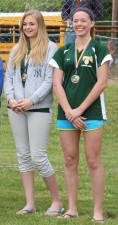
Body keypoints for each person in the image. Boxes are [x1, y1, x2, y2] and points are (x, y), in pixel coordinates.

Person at [50, 6, 112, 222]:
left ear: (92, 24)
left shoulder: (99, 49)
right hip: (67, 114)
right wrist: (69, 111)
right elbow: (56, 83)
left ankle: (97, 211)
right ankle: (72, 208)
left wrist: (79, 110)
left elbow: (102, 83)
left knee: (93, 160)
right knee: (69, 160)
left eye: (83, 20)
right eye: (75, 21)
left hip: (92, 112)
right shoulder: (63, 51)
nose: (78, 24)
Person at [4, 10, 62, 215]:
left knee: (38, 156)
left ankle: (57, 201)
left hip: (39, 108)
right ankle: (30, 203)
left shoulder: (51, 48)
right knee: (23, 155)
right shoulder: (16, 49)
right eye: (25, 24)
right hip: (16, 109)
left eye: (32, 24)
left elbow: (49, 81)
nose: (27, 28)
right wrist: (11, 100)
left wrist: (30, 100)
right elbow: (8, 77)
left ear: (40, 26)